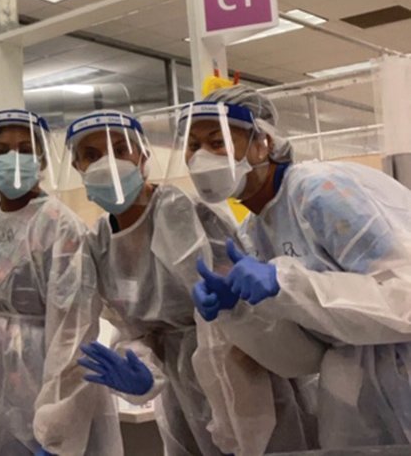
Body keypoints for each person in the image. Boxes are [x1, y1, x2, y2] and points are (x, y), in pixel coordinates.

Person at [67, 110, 313, 456]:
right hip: (181, 394)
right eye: (91, 156)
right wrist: (141, 370)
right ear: (77, 167)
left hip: (243, 375)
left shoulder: (176, 210)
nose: (106, 163)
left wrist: (228, 398)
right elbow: (138, 331)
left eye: (120, 149)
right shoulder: (99, 242)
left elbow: (230, 318)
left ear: (142, 156)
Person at [186, 84, 411, 448]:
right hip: (350, 389)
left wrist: (290, 285)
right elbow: (302, 358)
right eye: (193, 146)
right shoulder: (252, 233)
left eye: (217, 142)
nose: (201, 158)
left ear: (265, 142)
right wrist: (240, 316)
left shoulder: (320, 191)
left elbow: (405, 299)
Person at [0, 109, 121, 456]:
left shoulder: (60, 225)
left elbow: (72, 333)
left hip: (40, 376)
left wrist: (59, 425)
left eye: (24, 149)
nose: (13, 158)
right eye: (2, 150)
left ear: (42, 160)